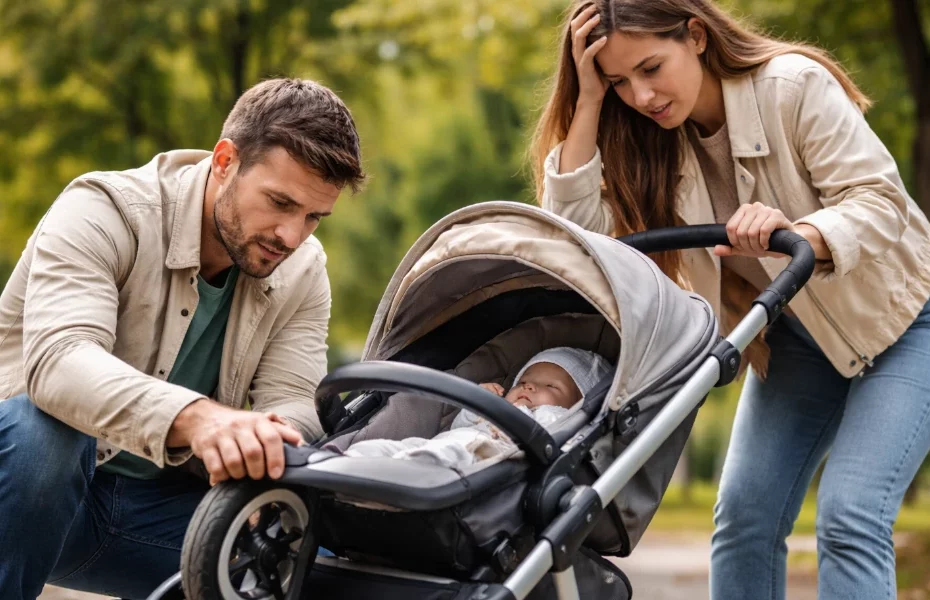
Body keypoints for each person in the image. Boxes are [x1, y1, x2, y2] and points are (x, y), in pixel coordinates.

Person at [530, 1, 930, 599]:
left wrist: (800, 233)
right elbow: (578, 244)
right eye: (618, 81)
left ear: (695, 35)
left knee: (850, 514)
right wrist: (588, 102)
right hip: (800, 340)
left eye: (650, 68)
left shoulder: (793, 87)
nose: (641, 96)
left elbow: (880, 201)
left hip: (909, 322)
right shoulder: (650, 143)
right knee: (744, 519)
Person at [0, 77, 364, 599]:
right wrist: (200, 419)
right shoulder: (103, 209)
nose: (292, 235)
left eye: (313, 217)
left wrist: (266, 440)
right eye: (280, 203)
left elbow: (294, 399)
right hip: (25, 494)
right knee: (46, 435)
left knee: (324, 564)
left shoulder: (302, 268)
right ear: (225, 161)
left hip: (154, 514)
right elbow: (60, 361)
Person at [342, 347, 612, 468]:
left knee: (451, 453)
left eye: (550, 386)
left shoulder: (560, 420)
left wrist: (511, 416)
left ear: (575, 405)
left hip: (487, 456)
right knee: (401, 445)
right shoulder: (498, 407)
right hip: (446, 441)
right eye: (524, 381)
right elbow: (459, 426)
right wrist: (478, 406)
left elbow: (545, 431)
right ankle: (353, 460)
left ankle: (419, 468)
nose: (530, 387)